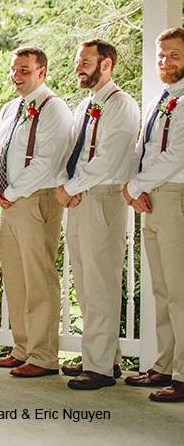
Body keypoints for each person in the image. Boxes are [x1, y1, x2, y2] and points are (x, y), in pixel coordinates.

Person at [57, 40, 138, 390]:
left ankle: (100, 369)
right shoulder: (85, 105)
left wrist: (72, 188)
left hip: (102, 197)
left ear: (106, 64)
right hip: (80, 197)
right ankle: (104, 358)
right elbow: (70, 151)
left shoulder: (121, 105)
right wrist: (67, 185)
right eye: (78, 61)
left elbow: (107, 160)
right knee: (86, 283)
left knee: (101, 281)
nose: (79, 68)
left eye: (86, 61)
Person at [0, 46, 73, 378]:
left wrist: (10, 192)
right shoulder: (11, 108)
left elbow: (46, 161)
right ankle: (22, 348)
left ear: (42, 72)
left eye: (24, 70)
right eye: (13, 69)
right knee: (16, 277)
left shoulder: (54, 109)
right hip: (8, 201)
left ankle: (43, 355)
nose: (16, 75)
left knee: (38, 277)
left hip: (36, 199)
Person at [123, 27, 184, 403]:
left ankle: (183, 372)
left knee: (179, 290)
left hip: (175, 195)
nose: (165, 61)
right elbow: (142, 148)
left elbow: (177, 154)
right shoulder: (160, 99)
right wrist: (135, 185)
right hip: (152, 195)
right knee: (161, 289)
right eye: (161, 55)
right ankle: (164, 364)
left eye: (174, 54)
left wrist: (137, 185)